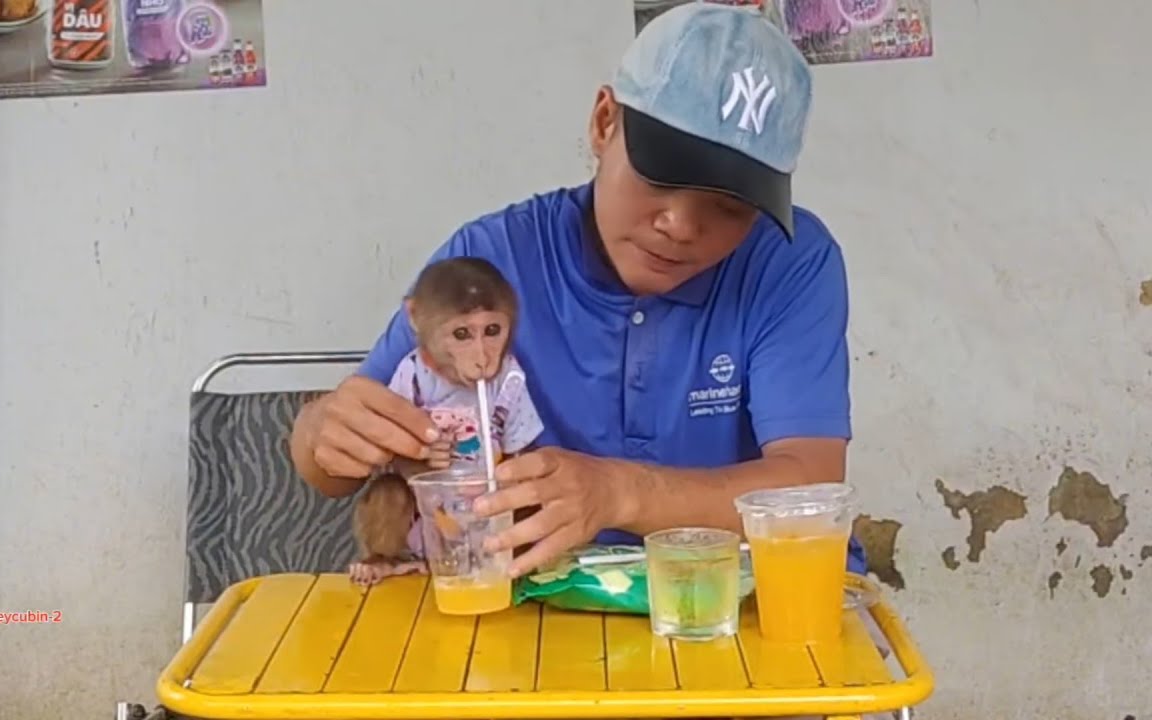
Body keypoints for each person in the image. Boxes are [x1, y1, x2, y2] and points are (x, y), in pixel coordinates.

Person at [289, 2, 866, 580]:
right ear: (604, 123)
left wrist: (620, 492)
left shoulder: (787, 261)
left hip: (736, 600)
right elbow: (333, 469)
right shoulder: (490, 262)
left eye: (729, 206)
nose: (680, 226)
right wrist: (321, 431)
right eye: (660, 177)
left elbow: (809, 489)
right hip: (540, 603)